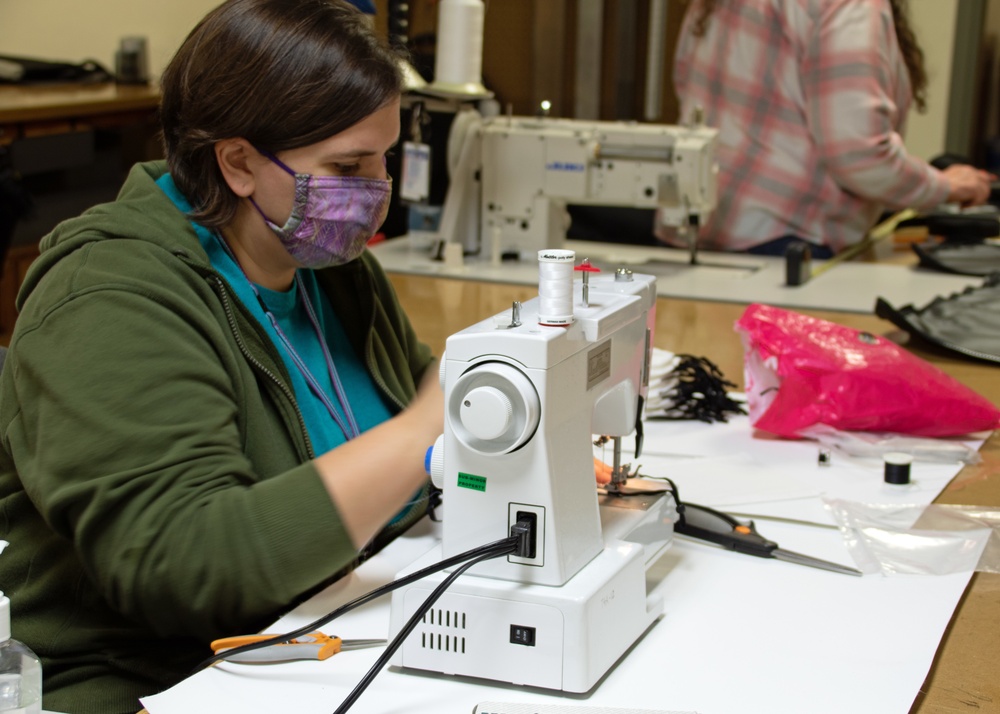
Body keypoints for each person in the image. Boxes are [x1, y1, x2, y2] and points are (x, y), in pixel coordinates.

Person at [0, 1, 445, 712]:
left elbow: (421, 388)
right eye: (348, 166)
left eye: (384, 158)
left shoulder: (328, 266)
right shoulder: (108, 296)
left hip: (320, 635)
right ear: (237, 161)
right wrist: (429, 429)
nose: (377, 193)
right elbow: (190, 563)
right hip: (157, 681)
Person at [669, 0, 994, 257]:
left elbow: (686, 86)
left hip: (697, 233)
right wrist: (944, 186)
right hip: (787, 243)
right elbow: (858, 154)